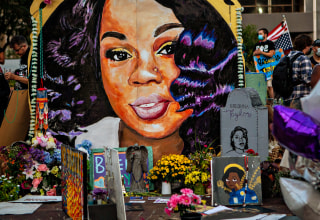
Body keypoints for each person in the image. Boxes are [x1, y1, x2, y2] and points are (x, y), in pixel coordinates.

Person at [41, 0, 238, 162]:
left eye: (169, 49)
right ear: (95, 65)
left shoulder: (225, 147)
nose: (143, 75)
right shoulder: (83, 147)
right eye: (119, 54)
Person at [285, 34, 313, 110]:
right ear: (306, 45)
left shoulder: (286, 57)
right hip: (300, 97)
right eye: (310, 45)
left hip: (286, 97)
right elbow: (307, 80)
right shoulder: (304, 58)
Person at [253, 28, 276, 100]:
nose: (259, 35)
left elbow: (271, 54)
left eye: (260, 34)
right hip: (260, 68)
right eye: (258, 34)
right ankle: (263, 102)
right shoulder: (257, 44)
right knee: (262, 87)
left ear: (265, 35)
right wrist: (255, 53)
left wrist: (261, 52)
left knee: (270, 86)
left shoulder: (270, 43)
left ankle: (273, 102)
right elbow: (254, 54)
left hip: (269, 68)